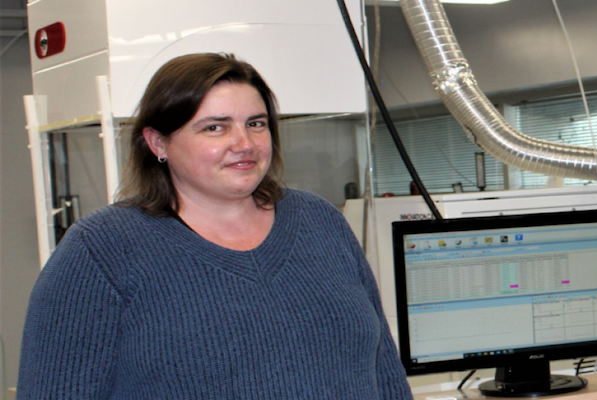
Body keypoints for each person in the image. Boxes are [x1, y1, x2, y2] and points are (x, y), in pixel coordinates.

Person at [18, 53, 412, 399]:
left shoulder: (320, 220)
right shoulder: (102, 249)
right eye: (215, 127)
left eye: (256, 123)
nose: (245, 143)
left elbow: (385, 374)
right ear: (158, 143)